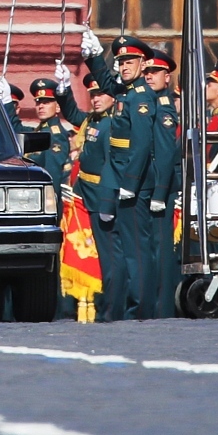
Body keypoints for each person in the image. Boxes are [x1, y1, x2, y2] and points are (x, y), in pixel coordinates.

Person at [105, 37, 158, 319]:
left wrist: (130, 181)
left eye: (130, 62)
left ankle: (140, 309)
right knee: (130, 249)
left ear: (143, 64)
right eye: (121, 62)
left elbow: (142, 143)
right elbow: (107, 84)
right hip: (125, 178)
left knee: (137, 250)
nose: (124, 67)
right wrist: (91, 59)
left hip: (133, 183)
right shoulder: (127, 93)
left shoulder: (140, 96)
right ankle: (135, 306)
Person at [74, 75, 127, 321]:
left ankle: (112, 309)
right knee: (103, 257)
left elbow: (110, 165)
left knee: (111, 258)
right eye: (92, 95)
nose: (96, 99)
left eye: (101, 94)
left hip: (102, 196)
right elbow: (76, 118)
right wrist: (64, 92)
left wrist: (106, 201)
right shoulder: (95, 121)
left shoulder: (111, 124)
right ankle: (108, 305)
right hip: (90, 195)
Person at [144, 49, 184, 319]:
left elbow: (167, 153)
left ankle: (163, 308)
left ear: (167, 77)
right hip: (147, 184)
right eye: (146, 72)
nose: (149, 76)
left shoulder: (165, 106)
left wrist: (159, 191)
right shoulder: (147, 102)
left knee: (161, 249)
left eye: (154, 72)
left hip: (162, 185)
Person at [30, 76, 83, 187]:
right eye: (38, 103)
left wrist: (49, 200)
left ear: (58, 107)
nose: (41, 107)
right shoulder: (41, 130)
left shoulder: (55, 135)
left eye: (46, 102)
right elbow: (16, 128)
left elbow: (52, 174)